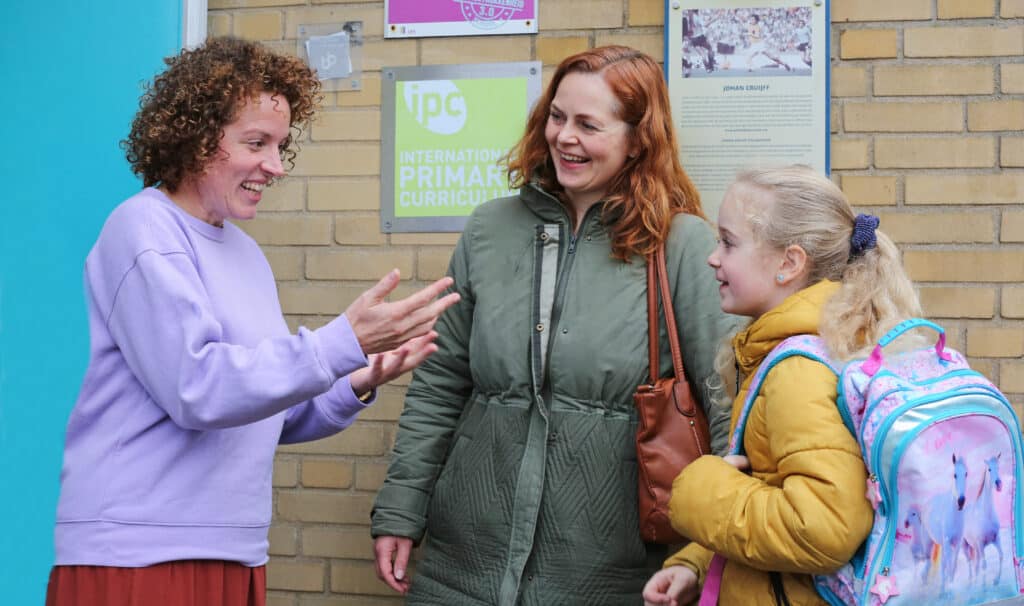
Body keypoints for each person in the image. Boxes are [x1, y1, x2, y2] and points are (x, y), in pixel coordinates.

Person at [45, 37, 459, 606]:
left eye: (281, 145)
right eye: (256, 142)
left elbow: (263, 413)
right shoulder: (143, 230)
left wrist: (357, 374)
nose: (275, 165)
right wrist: (340, 342)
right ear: (193, 137)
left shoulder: (244, 254)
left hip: (233, 550)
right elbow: (197, 389)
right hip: (138, 554)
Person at [370, 45, 738, 605]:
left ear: (639, 137)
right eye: (557, 117)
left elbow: (727, 407)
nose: (565, 137)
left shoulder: (682, 244)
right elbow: (440, 381)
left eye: (589, 125)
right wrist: (401, 507)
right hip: (466, 560)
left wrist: (701, 555)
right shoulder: (490, 229)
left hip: (609, 568)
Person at [642, 165, 922, 605]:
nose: (713, 257)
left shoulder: (799, 371)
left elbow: (824, 527)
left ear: (789, 263)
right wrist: (695, 562)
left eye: (728, 243)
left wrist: (699, 491)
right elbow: (768, 490)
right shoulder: (823, 345)